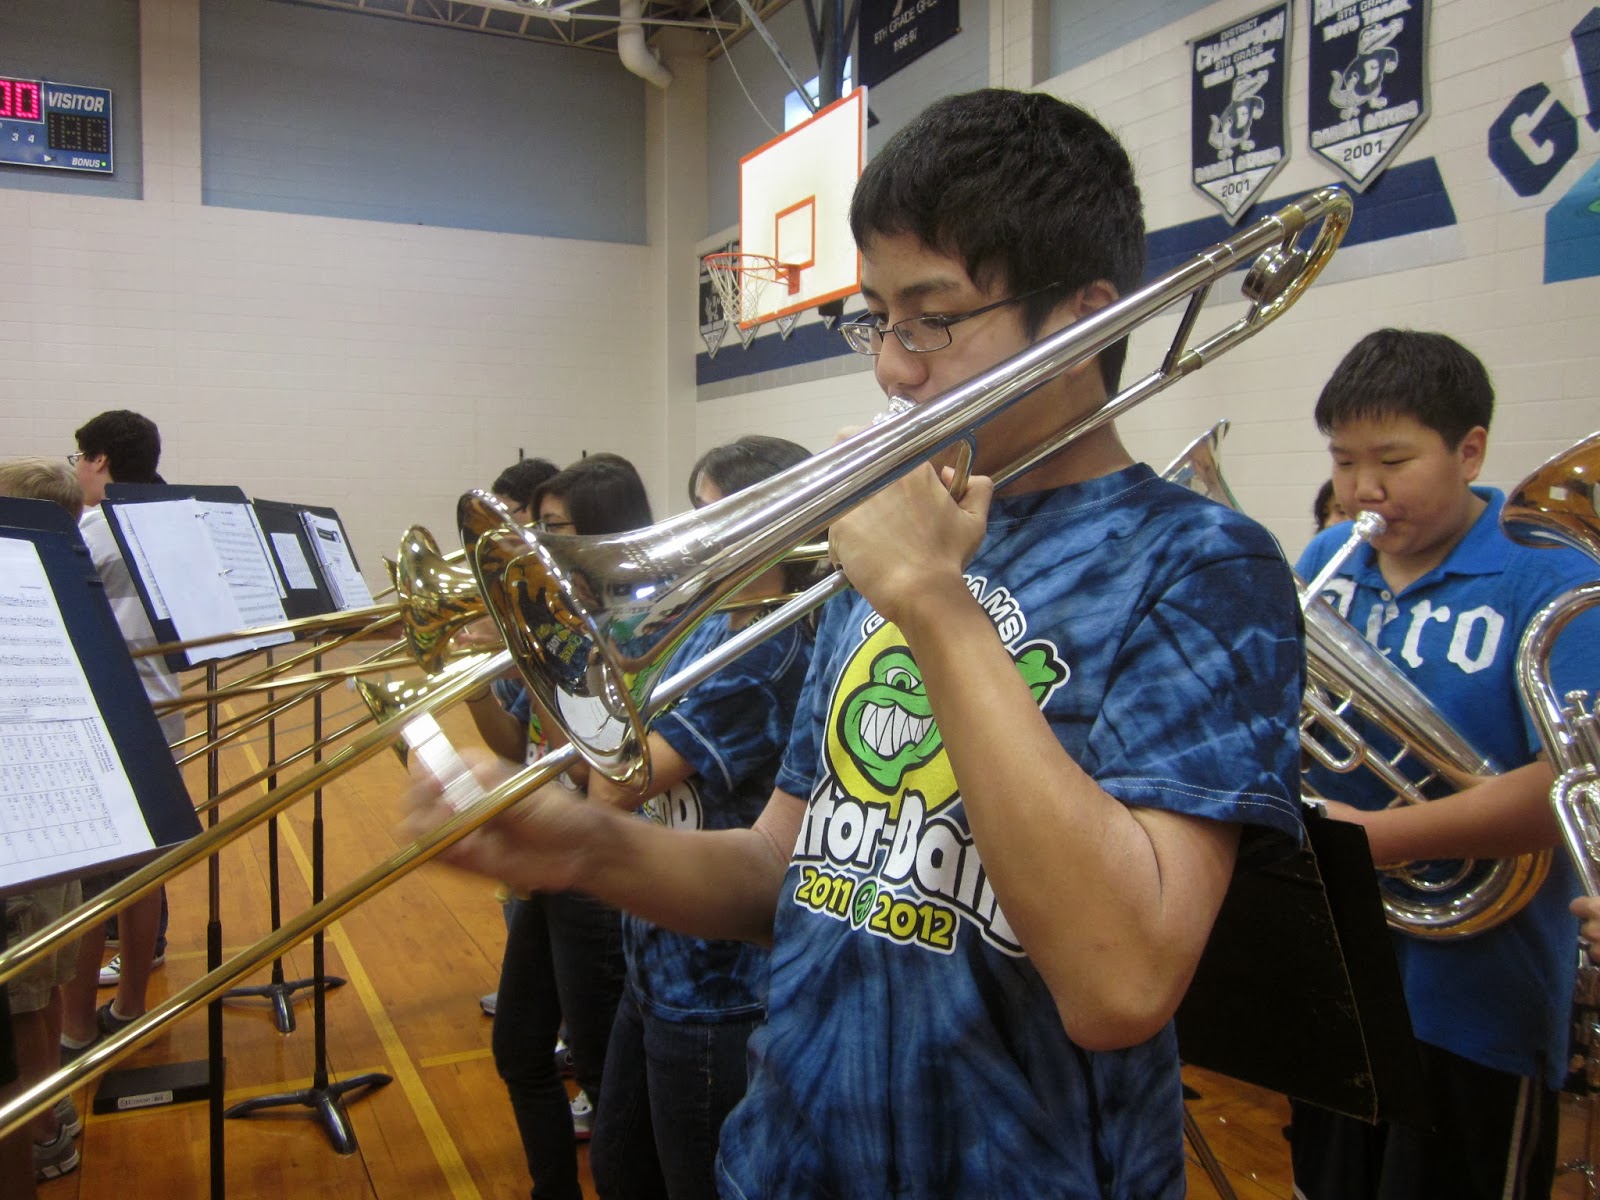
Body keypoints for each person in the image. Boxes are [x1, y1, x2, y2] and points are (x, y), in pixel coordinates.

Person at [413, 88, 1306, 1198]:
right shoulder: (881, 542)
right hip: (781, 1161)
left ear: (1082, 319)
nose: (891, 366)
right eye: (876, 316)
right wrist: (584, 850)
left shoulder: (1199, 567)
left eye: (931, 317)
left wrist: (933, 601)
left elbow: (1120, 983)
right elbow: (782, 872)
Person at [1292, 329, 1600, 1200]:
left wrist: (1378, 839)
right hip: (1340, 976)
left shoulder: (1544, 577)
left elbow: (1571, 782)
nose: (1363, 489)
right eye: (1343, 461)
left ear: (1470, 450)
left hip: (1482, 993)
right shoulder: (1328, 564)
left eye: (1392, 459)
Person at [587, 435, 815, 1200]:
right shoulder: (710, 622)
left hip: (716, 984)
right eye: (698, 514)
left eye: (718, 517)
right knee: (618, 1168)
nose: (693, 537)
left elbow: (615, 788)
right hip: (655, 953)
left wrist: (580, 681)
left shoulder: (766, 647)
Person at [463, 454, 648, 1200]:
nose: (535, 545)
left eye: (553, 530)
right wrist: (478, 674)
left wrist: (530, 662)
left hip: (598, 868)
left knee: (605, 1073)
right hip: (548, 862)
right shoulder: (554, 621)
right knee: (518, 1049)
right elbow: (514, 748)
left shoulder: (635, 632)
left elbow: (603, 769)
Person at [60, 411, 178, 1056]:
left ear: (100, 460)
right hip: (164, 709)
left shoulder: (96, 528)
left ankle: (75, 1028)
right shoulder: (159, 517)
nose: (76, 468)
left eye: (78, 456)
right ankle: (130, 1007)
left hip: (109, 714)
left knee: (88, 882)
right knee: (144, 870)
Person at [0, 458, 89, 1182]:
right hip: (54, 811)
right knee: (43, 982)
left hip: (29, 815)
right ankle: (48, 1110)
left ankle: (40, 1133)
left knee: (24, 998)